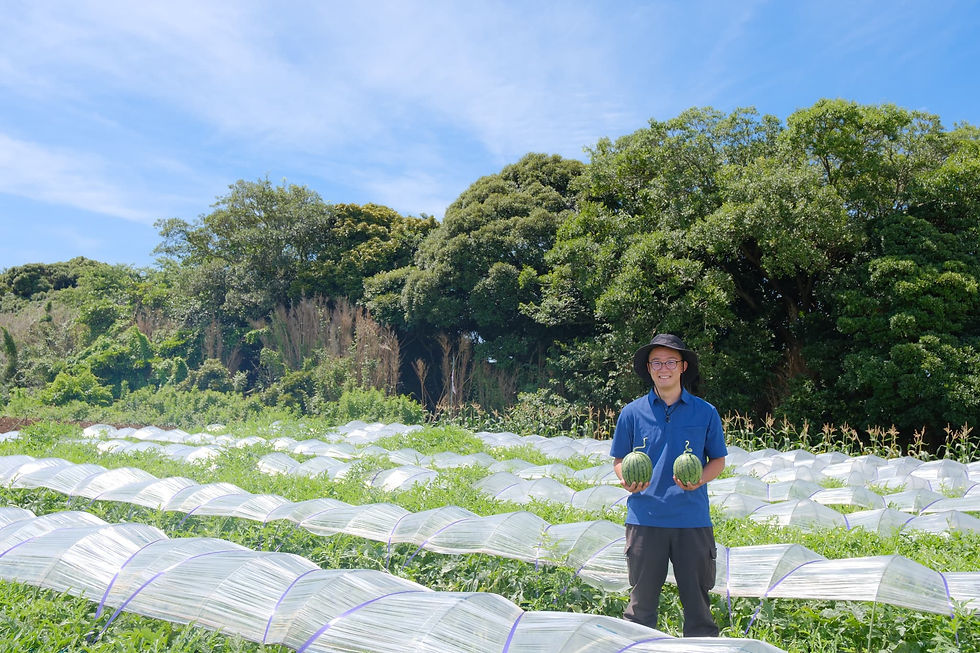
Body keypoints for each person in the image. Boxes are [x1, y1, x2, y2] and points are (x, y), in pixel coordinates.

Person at [609, 333, 727, 637]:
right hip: (645, 519)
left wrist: (699, 478)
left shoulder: (705, 412)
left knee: (698, 608)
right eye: (657, 362)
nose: (664, 368)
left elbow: (718, 460)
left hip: (692, 520)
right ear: (649, 369)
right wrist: (624, 477)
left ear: (683, 366)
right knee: (640, 608)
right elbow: (619, 458)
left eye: (671, 361)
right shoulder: (631, 413)